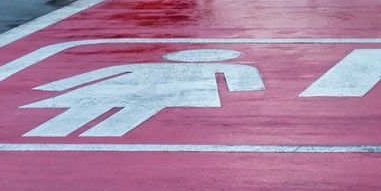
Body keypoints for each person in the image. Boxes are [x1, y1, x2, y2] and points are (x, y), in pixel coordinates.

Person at [22, 49, 264, 138]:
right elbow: (247, 85)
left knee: (80, 114)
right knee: (131, 115)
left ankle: (80, 133)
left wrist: (56, 88)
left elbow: (101, 75)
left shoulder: (231, 67)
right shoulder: (232, 66)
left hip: (112, 92)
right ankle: (104, 133)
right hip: (168, 96)